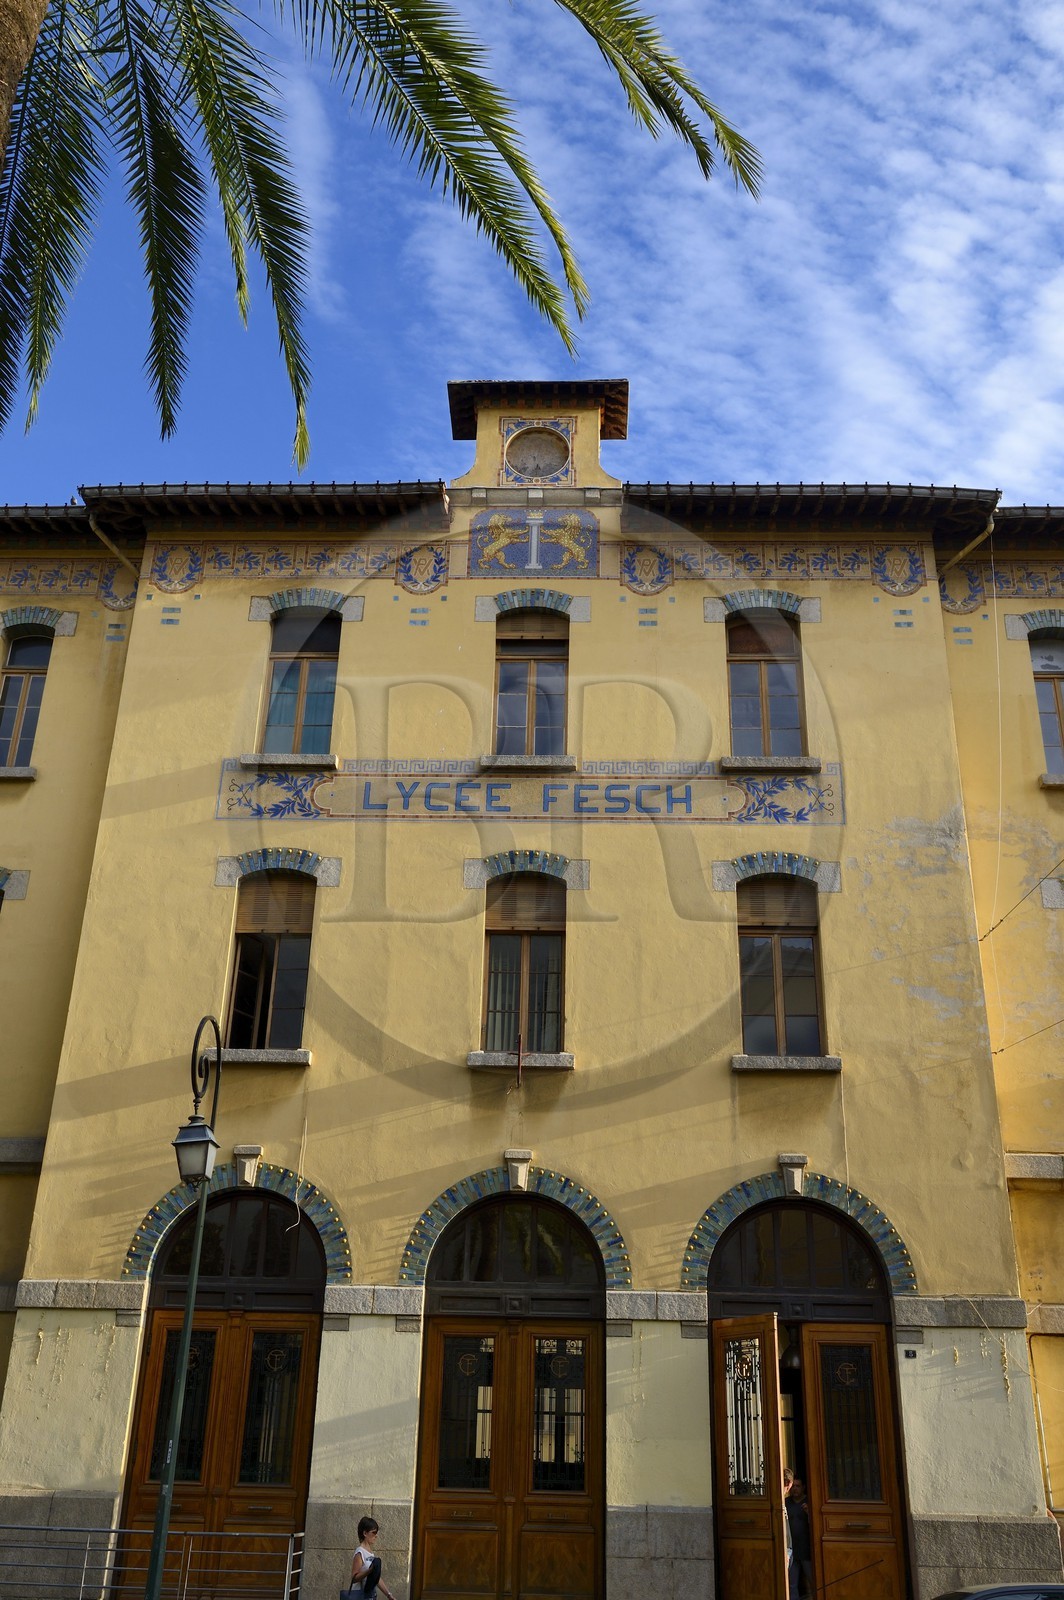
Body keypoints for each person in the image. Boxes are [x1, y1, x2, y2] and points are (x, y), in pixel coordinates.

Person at [350, 1517, 397, 1600]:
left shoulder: (370, 1553)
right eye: (374, 1532)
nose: (376, 1536)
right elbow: (354, 1578)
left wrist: (389, 1595)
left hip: (371, 1596)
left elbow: (377, 1578)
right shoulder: (360, 1552)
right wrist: (369, 1570)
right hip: (361, 1596)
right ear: (365, 1533)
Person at [787, 1478, 814, 1600]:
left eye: (798, 1486)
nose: (795, 1489)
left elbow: (817, 1525)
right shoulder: (786, 1503)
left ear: (803, 1487)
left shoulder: (810, 1502)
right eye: (793, 1486)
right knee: (791, 1584)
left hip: (806, 1549)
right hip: (791, 1549)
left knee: (813, 1580)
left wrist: (809, 1513)